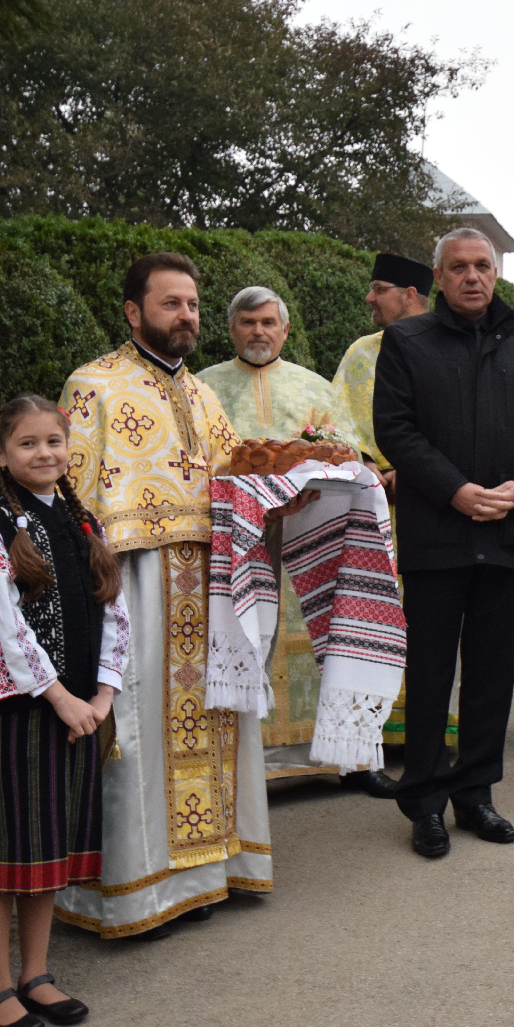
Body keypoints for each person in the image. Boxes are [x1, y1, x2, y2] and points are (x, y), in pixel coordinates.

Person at [56, 252, 271, 939]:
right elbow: (71, 497)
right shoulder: (93, 386)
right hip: (135, 585)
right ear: (132, 310)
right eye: (172, 303)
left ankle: (207, 876)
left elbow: (238, 477)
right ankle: (137, 892)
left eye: (193, 305)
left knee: (214, 723)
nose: (187, 316)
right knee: (142, 731)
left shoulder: (205, 396)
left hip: (208, 583)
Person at [373, 228, 514, 859]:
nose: (472, 277)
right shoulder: (407, 342)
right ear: (438, 277)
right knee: (431, 673)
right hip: (439, 533)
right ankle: (425, 801)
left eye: (483, 265)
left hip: (507, 531)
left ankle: (477, 792)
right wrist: (454, 490)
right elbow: (396, 431)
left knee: (489, 673)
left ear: (495, 273)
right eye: (458, 267)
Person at [0, 395, 128, 1027]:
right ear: (1, 455)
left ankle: (37, 973)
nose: (44, 454)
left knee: (47, 849)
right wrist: (59, 698)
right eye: (27, 444)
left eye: (53, 442)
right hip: (23, 714)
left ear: (68, 449)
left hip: (84, 709)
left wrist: (102, 694)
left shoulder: (82, 522)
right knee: (6, 853)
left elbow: (114, 610)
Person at [196, 288, 396, 796]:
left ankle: (342, 757)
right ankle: (251, 765)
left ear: (284, 330)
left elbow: (345, 454)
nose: (258, 331)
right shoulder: (203, 389)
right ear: (231, 329)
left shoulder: (313, 386)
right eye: (247, 322)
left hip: (312, 530)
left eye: (268, 322)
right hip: (239, 534)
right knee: (247, 635)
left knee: (322, 632)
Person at [331, 253, 442, 752]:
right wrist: (367, 465)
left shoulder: (450, 344)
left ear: (410, 295)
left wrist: (414, 471)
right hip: (378, 508)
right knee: (376, 617)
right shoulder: (360, 353)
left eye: (379, 288)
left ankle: (436, 731)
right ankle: (377, 735)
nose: (369, 298)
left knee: (435, 618)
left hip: (438, 505)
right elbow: (335, 425)